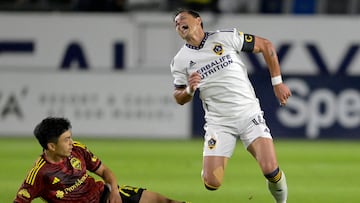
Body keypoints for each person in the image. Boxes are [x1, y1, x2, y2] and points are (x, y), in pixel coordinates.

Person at [170, 9, 291, 203]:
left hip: (248, 114)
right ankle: (211, 161)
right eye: (175, 23)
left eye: (182, 19)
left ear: (198, 21)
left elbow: (265, 45)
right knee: (212, 183)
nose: (179, 24)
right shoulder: (180, 61)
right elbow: (178, 96)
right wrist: (190, 91)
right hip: (219, 123)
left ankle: (282, 202)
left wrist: (277, 83)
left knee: (270, 169)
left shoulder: (225, 38)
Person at [14, 117, 189, 203]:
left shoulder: (77, 149)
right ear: (51, 146)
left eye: (70, 137)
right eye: (65, 139)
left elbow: (104, 171)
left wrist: (114, 191)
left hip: (105, 195)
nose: (70, 143)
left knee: (163, 201)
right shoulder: (39, 174)